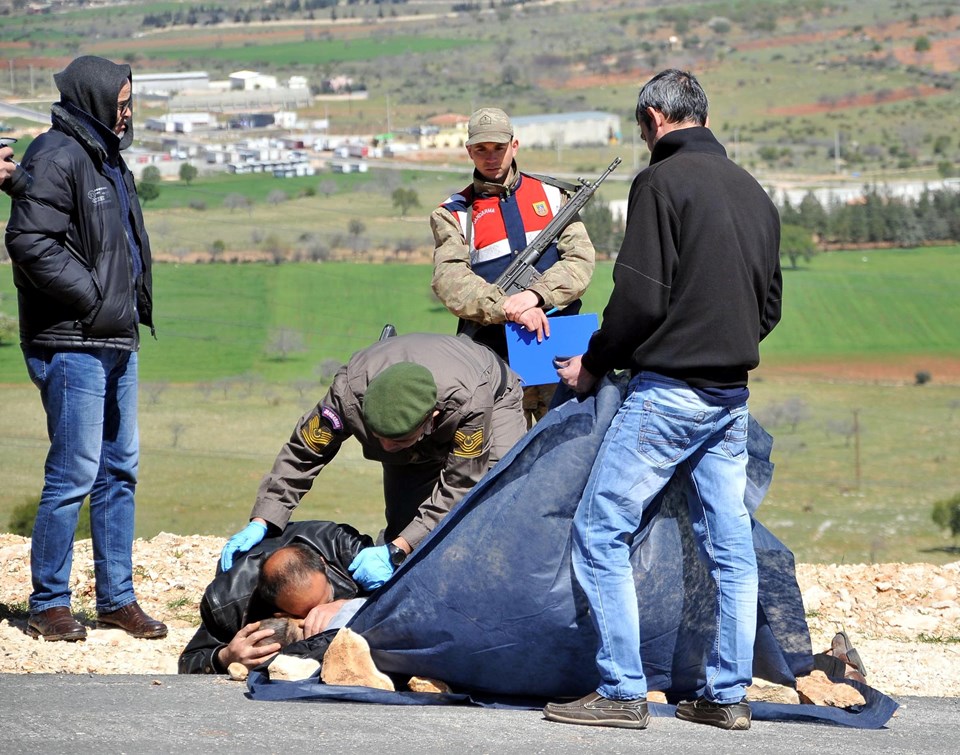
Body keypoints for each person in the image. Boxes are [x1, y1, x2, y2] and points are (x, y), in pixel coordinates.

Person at [545, 70, 782, 731]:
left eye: (641, 126)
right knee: (730, 549)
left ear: (655, 117)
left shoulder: (659, 183)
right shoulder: (755, 193)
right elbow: (769, 307)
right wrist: (721, 340)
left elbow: (641, 298)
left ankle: (621, 688)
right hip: (730, 399)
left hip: (669, 396)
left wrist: (594, 362)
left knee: (600, 529)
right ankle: (727, 695)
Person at [4, 56, 163, 642]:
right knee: (73, 472)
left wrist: (118, 309)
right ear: (92, 99)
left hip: (114, 337)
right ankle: (48, 603)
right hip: (73, 341)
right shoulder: (58, 152)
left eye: (130, 103)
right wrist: (94, 299)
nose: (127, 114)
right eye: (120, 103)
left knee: (120, 470)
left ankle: (117, 598)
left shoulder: (102, 156)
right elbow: (28, 240)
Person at [220, 332, 526, 590]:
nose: (386, 448)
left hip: (492, 392)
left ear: (430, 420)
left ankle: (489, 588)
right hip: (414, 406)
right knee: (406, 525)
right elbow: (305, 451)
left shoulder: (470, 402)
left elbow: (461, 483)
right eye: (378, 437)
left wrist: (400, 548)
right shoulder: (347, 396)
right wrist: (264, 519)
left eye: (398, 441)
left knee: (494, 497)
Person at [430, 107, 596, 427]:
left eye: (499, 148)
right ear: (469, 151)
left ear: (514, 146)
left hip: (560, 356)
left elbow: (580, 261)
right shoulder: (453, 213)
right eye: (481, 149)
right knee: (501, 465)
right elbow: (449, 280)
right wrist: (507, 306)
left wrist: (536, 295)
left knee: (567, 458)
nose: (490, 157)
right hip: (495, 364)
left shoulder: (553, 196)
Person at [180, 520, 373, 674]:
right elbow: (189, 662)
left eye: (328, 597)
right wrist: (225, 657)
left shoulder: (345, 548)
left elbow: (397, 600)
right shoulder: (227, 603)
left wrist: (348, 605)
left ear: (322, 563)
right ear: (279, 613)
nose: (321, 611)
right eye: (309, 612)